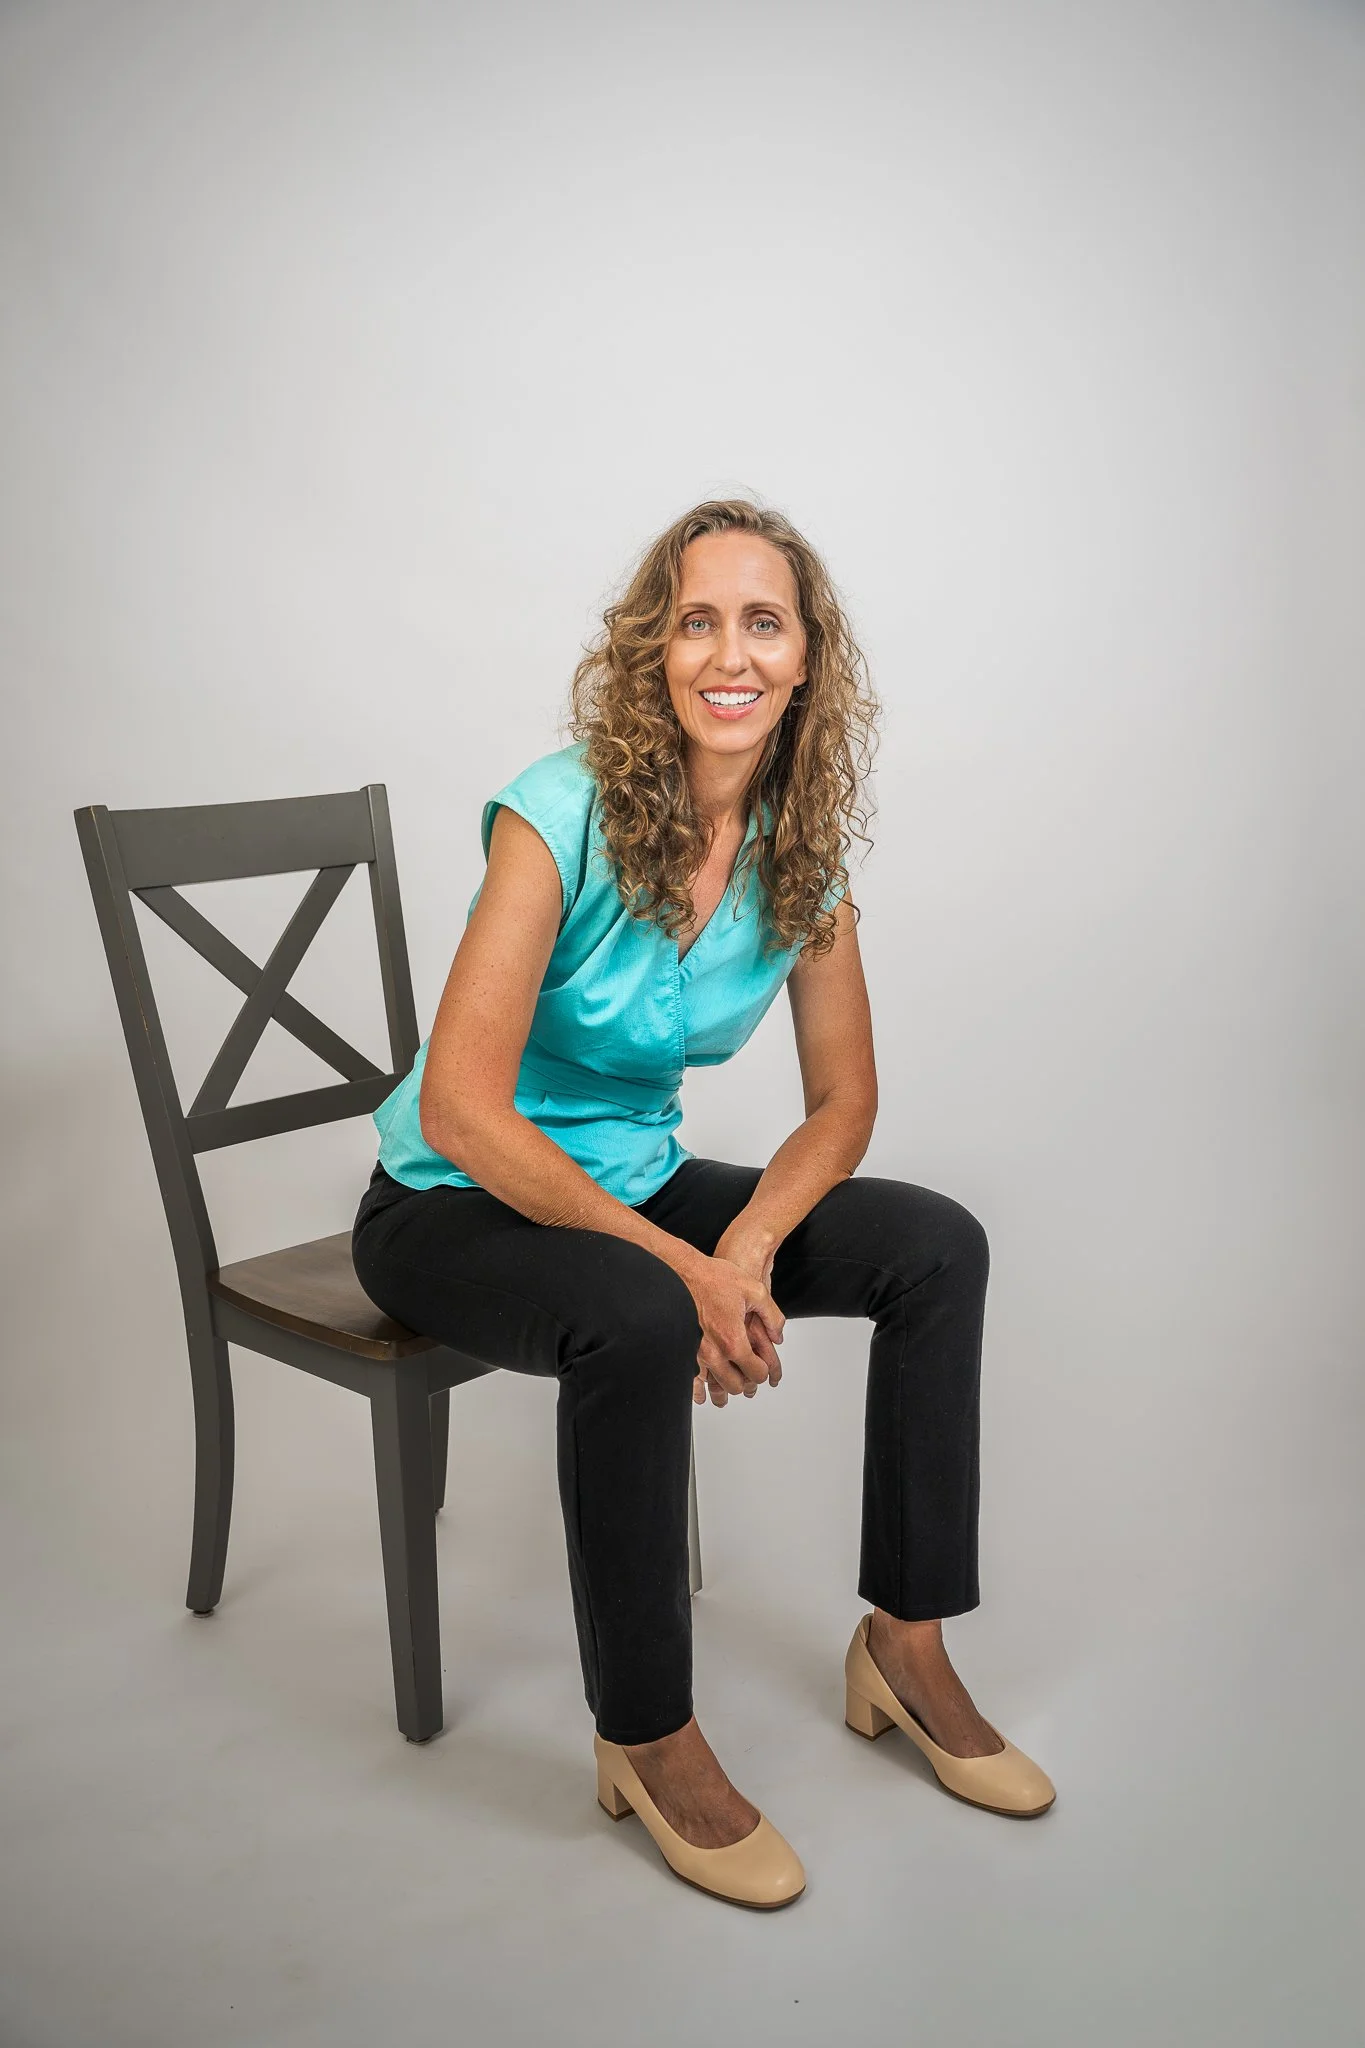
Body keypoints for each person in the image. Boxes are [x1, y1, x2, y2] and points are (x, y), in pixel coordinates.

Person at [351, 496, 1055, 1910]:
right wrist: (681, 1277)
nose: (727, 651)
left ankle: (904, 1649)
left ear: (805, 663)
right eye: (695, 619)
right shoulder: (560, 810)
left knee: (936, 1246)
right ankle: (648, 1735)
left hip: (638, 1184)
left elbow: (844, 1101)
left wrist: (739, 1247)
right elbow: (460, 1109)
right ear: (653, 652)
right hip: (447, 1200)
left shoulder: (803, 850)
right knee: (633, 1311)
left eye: (763, 621)